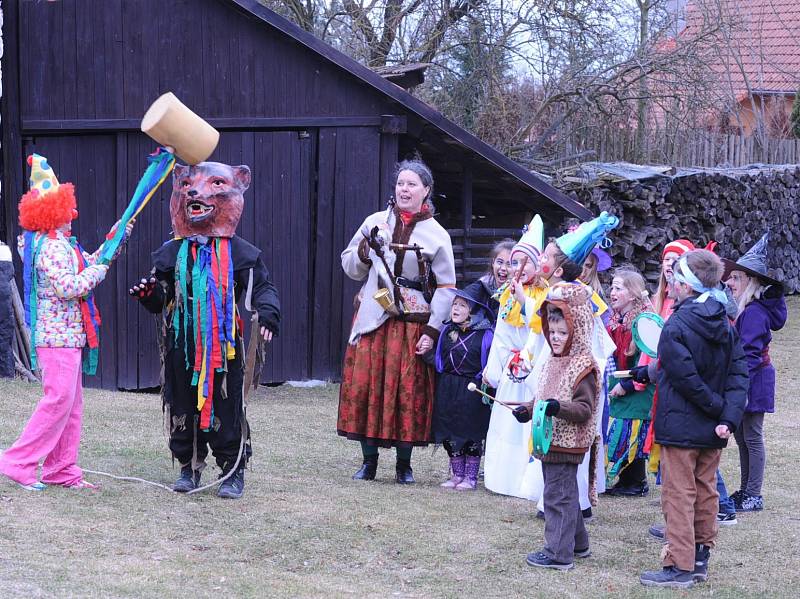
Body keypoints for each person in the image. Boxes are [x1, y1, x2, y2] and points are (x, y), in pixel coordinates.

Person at [130, 161, 281, 499]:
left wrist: (269, 313)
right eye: (189, 185)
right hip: (182, 346)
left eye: (212, 185)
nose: (195, 192)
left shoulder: (241, 253)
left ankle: (232, 471)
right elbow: (162, 299)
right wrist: (150, 294)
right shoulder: (171, 253)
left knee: (226, 408)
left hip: (224, 347)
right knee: (183, 403)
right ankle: (188, 466)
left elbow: (262, 288)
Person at [0, 154, 132, 491]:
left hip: (67, 338)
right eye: (67, 211)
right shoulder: (52, 248)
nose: (72, 216)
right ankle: (17, 462)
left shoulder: (60, 245)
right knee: (58, 403)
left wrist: (114, 240)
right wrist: (99, 272)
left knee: (70, 408)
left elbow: (90, 261)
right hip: (56, 339)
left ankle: (60, 470)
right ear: (53, 214)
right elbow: (69, 286)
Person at [337, 159, 456, 484]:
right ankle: (369, 461)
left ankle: (404, 466)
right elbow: (349, 264)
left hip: (412, 324)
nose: (404, 189)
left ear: (426, 191)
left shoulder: (437, 235)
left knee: (407, 391)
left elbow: (446, 287)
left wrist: (432, 330)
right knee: (366, 385)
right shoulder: (374, 223)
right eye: (400, 183)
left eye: (412, 184)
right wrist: (365, 250)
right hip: (373, 317)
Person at [639, 249, 747, 588]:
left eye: (674, 279)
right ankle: (700, 558)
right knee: (704, 491)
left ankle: (680, 565)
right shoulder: (725, 322)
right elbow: (738, 374)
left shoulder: (678, 324)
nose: (669, 285)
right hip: (712, 429)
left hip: (684, 426)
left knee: (679, 494)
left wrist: (720, 411)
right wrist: (727, 417)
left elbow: (686, 378)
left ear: (687, 286)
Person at [513, 284, 600, 570]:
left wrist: (557, 408)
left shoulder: (583, 365)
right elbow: (542, 397)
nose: (557, 338)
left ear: (578, 329)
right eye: (553, 333)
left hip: (568, 441)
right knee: (564, 493)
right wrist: (527, 410)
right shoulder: (552, 361)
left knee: (556, 496)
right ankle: (578, 543)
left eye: (563, 333)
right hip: (549, 440)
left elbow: (584, 410)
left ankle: (558, 553)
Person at [482, 215, 547, 499]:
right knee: (507, 421)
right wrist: (494, 368)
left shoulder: (544, 293)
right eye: (513, 263)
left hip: (535, 368)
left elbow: (543, 327)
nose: (517, 269)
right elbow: (501, 334)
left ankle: (527, 480)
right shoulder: (506, 295)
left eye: (524, 263)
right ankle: (502, 478)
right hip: (512, 369)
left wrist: (525, 300)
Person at [723, 232, 787, 513]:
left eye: (736, 278)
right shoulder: (747, 310)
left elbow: (748, 355)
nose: (729, 282)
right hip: (749, 379)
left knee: (752, 436)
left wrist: (740, 389)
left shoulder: (754, 314)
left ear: (750, 282)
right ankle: (746, 490)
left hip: (754, 379)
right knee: (742, 437)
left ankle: (753, 494)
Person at [429, 289, 494, 490]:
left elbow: (491, 361)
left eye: (462, 305)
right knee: (450, 429)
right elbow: (439, 359)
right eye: (454, 304)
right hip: (448, 386)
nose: (456, 308)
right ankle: (457, 475)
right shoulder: (447, 331)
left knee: (471, 430)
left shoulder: (486, 335)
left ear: (473, 311)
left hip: (472, 389)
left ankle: (470, 477)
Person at [604, 268, 655, 497]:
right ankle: (627, 480)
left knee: (631, 433)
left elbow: (646, 360)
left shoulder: (643, 322)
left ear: (633, 294)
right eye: (612, 287)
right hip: (622, 383)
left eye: (618, 288)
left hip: (638, 388)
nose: (611, 292)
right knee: (621, 431)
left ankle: (636, 482)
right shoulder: (616, 320)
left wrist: (626, 384)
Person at [463, 239, 516, 323]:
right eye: (500, 262)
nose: (503, 268)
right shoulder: (483, 284)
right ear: (493, 263)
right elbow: (467, 296)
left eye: (509, 264)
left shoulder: (520, 291)